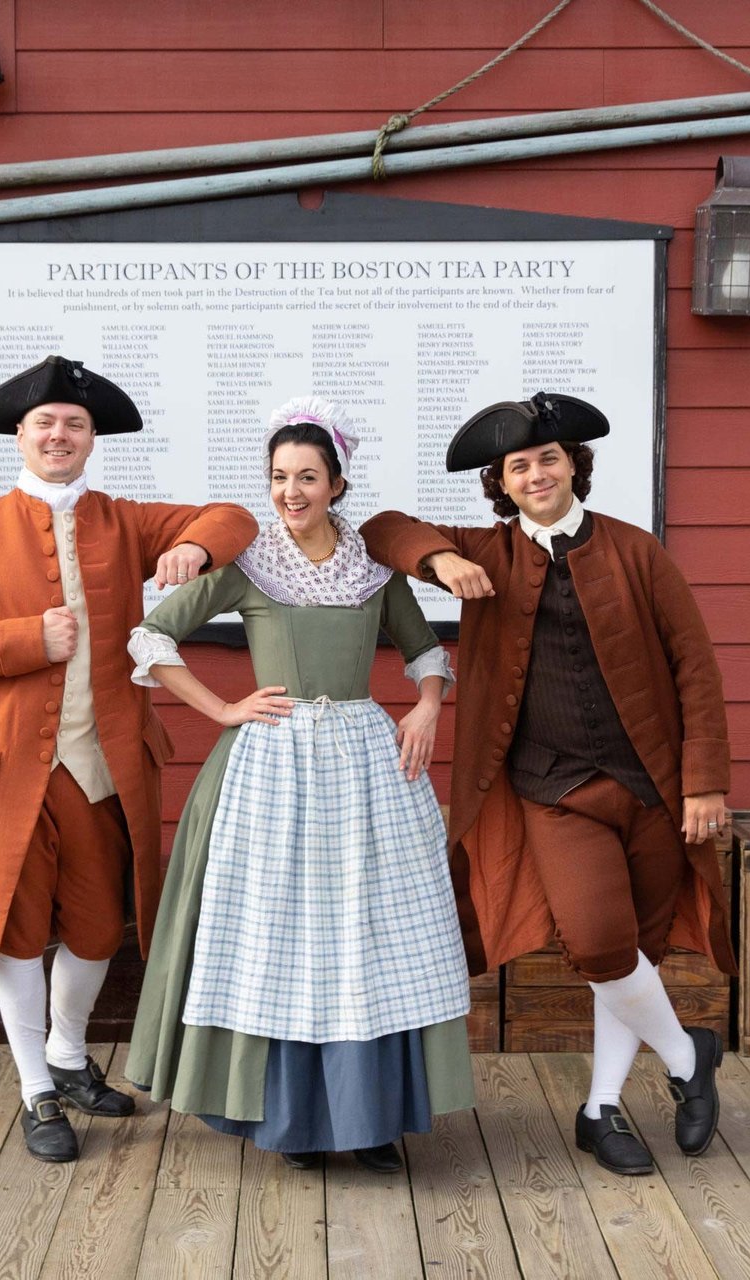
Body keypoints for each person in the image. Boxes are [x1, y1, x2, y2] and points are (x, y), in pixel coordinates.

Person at [361, 392, 734, 1177]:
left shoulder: (638, 552)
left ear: (575, 466)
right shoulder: (485, 554)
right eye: (519, 466)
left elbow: (695, 670)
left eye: (549, 459)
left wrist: (703, 785)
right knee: (598, 942)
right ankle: (686, 1052)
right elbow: (380, 527)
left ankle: (600, 1110)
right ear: (501, 482)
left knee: (637, 953)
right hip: (553, 790)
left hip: (655, 790)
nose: (536, 474)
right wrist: (440, 560)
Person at [0, 355, 258, 1164]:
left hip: (102, 766)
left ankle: (68, 1057)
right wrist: (28, 638)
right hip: (4, 771)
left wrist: (196, 553)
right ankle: (36, 1087)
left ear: (92, 438)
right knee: (17, 933)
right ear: (20, 438)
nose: (58, 434)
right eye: (44, 424)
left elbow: (233, 516)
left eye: (73, 423)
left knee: (100, 928)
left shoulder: (122, 521)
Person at [124, 396, 475, 1171]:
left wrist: (424, 710)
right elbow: (151, 636)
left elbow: (424, 653)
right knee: (277, 940)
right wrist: (222, 707)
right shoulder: (249, 563)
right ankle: (293, 1121)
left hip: (363, 763)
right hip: (272, 765)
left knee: (368, 937)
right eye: (280, 476)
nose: (292, 491)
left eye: (308, 476)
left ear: (337, 484)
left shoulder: (372, 567)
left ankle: (370, 1118)